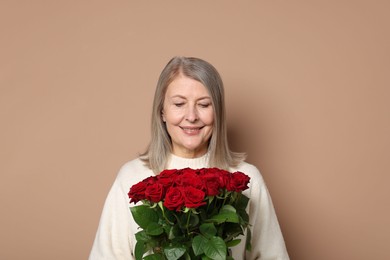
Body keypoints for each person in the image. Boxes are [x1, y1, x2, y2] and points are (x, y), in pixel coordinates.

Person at [89, 56, 289, 259]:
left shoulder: (246, 178)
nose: (191, 116)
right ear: (162, 112)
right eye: (179, 104)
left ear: (217, 112)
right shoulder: (131, 176)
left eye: (203, 105)